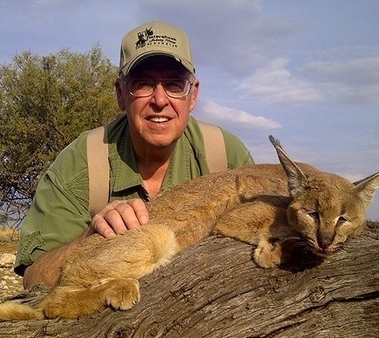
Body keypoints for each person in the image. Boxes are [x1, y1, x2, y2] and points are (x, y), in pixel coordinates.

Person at [14, 20, 254, 288]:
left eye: (174, 85)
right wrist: (91, 238)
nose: (160, 100)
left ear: (193, 95)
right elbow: (33, 279)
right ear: (120, 94)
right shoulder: (81, 162)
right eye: (143, 84)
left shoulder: (226, 156)